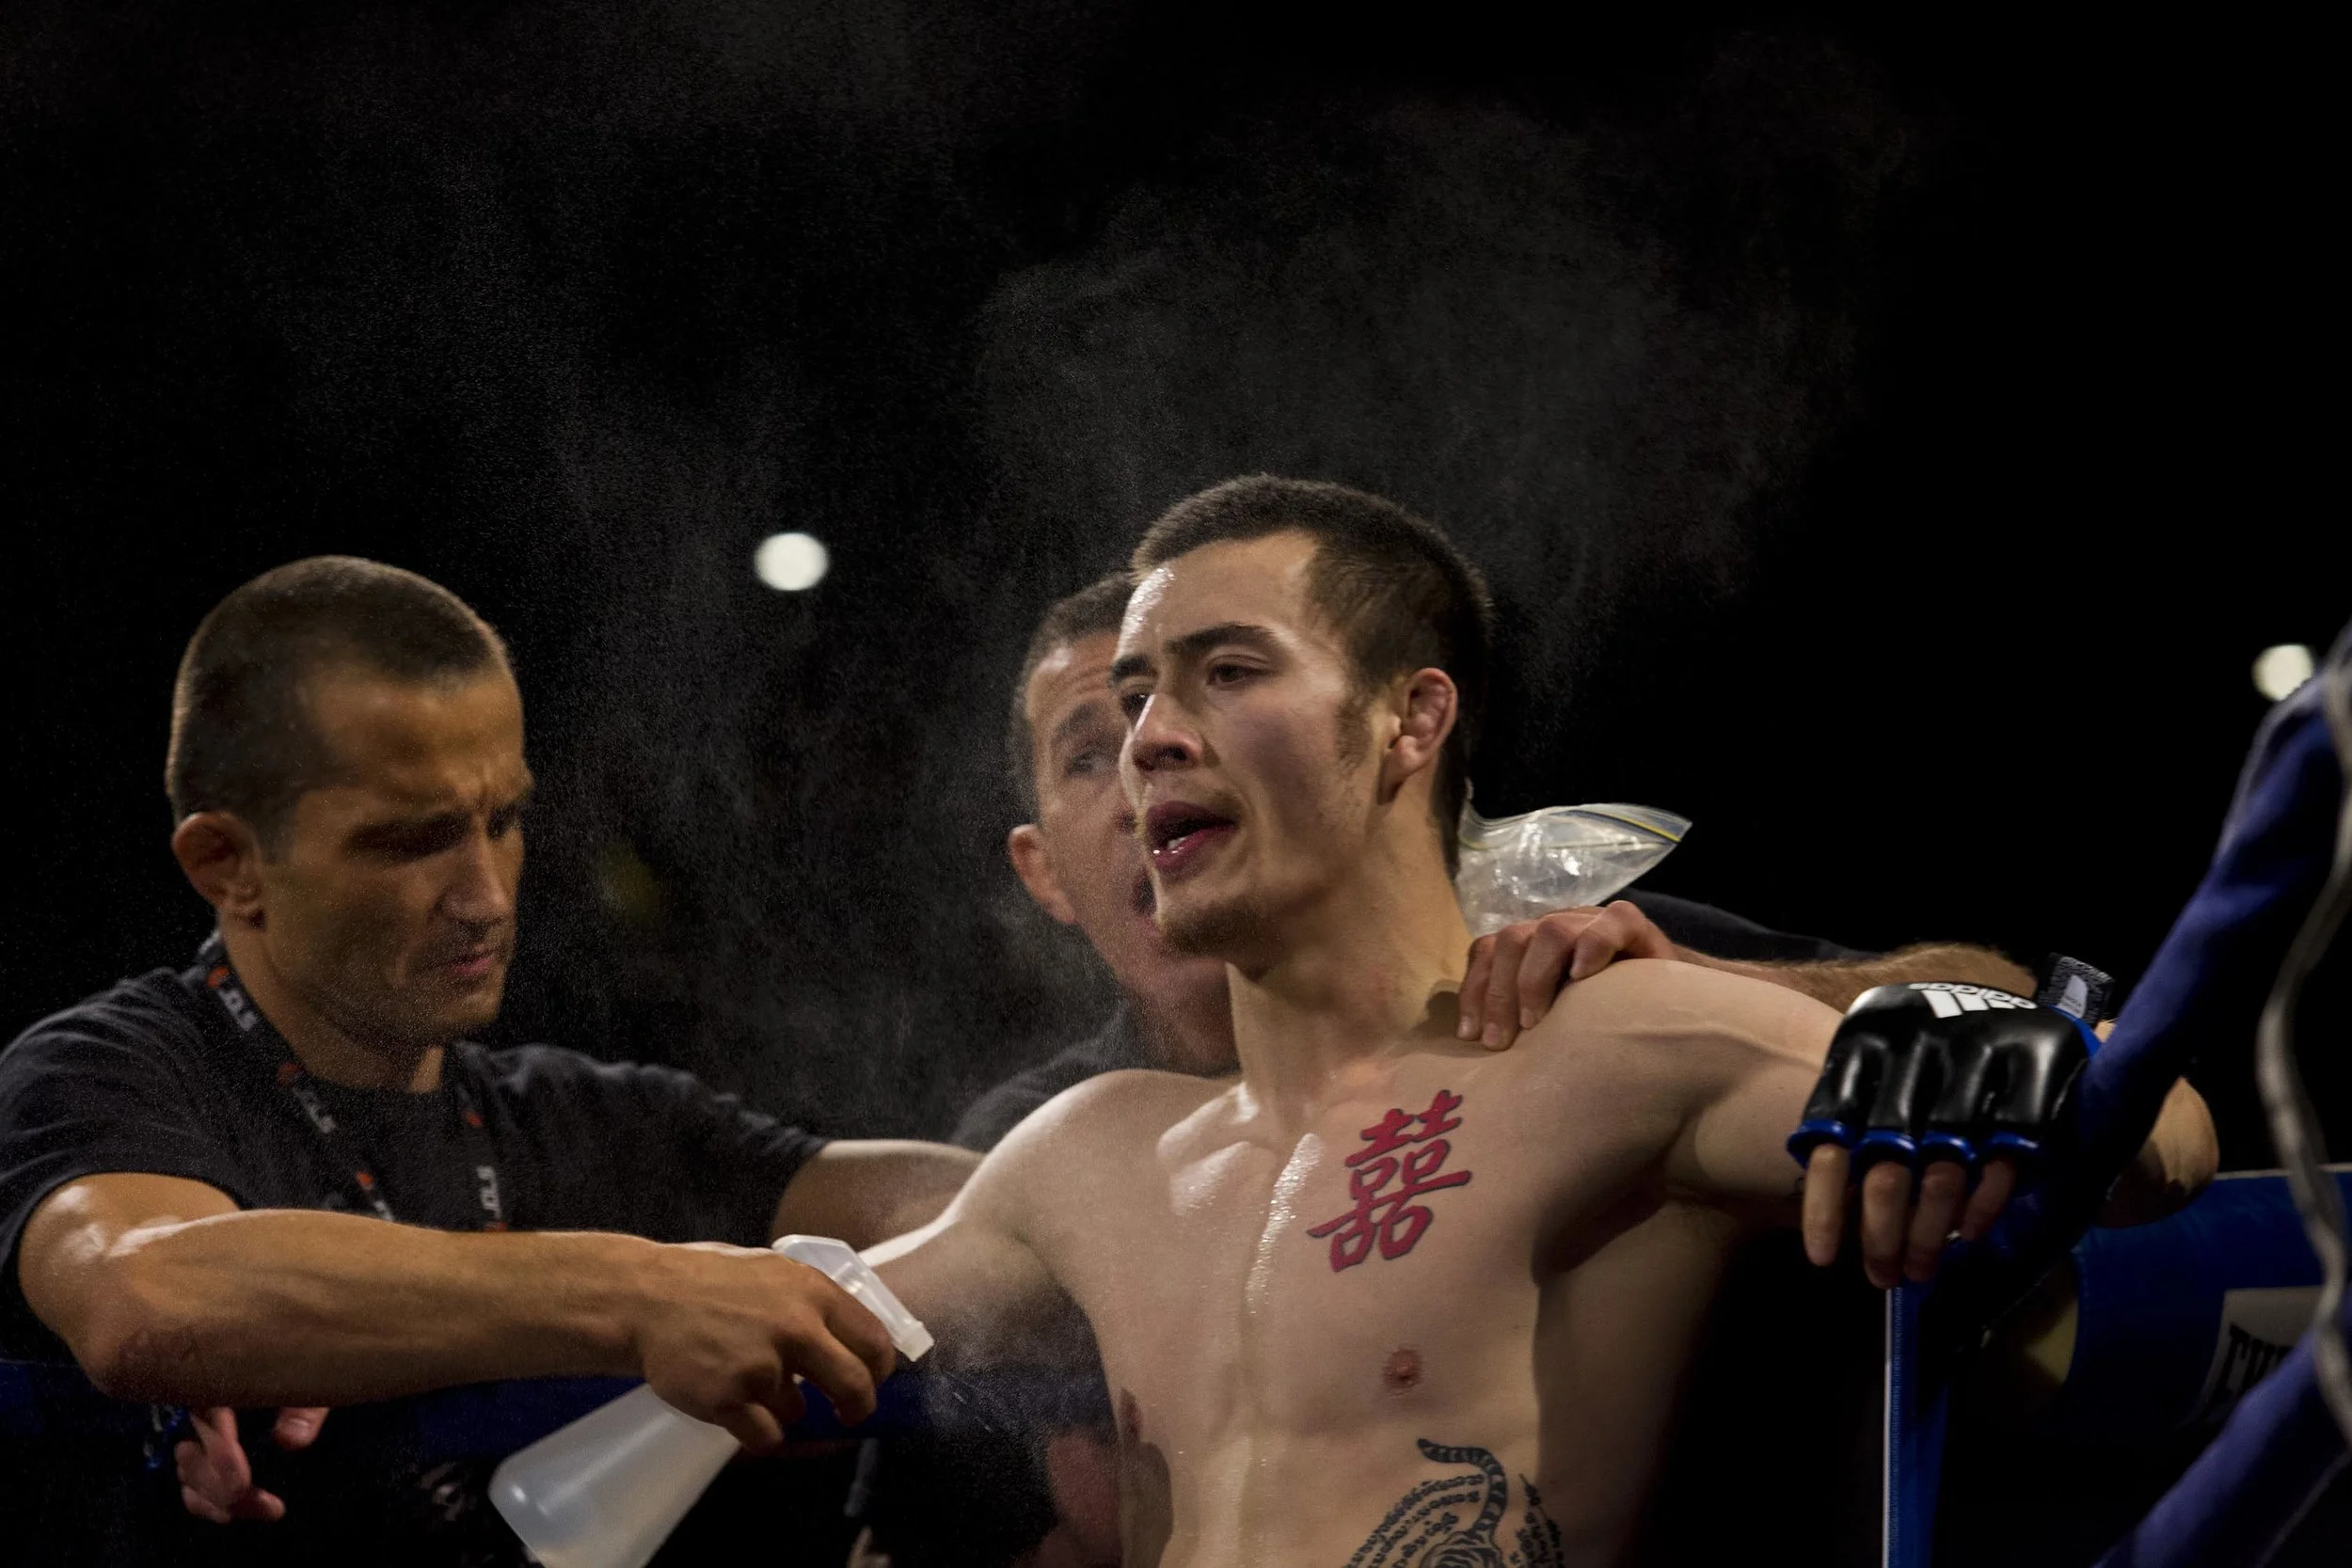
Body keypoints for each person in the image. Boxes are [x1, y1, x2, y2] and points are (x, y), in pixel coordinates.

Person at [871, 478, 2216, 1564]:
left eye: (1227, 672)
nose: (1156, 736)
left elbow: (2144, 1116)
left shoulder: (1613, 1024)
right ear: (1039, 863)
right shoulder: (1080, 1145)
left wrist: (1941, 1054)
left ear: (1411, 722)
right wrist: (648, 1281)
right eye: (1128, 708)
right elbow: (808, 1308)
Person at [0, 558, 975, 1560]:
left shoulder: (583, 1117)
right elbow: (146, 1295)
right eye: (412, 839)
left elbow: (985, 1212)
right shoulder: (111, 1068)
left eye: (502, 819)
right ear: (229, 863)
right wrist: (640, 1295)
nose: (486, 895)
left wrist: (1117, 1130)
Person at [961, 572, 2090, 1154]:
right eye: (1090, 751)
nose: (1149, 769)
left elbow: (2017, 1009)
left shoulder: (1553, 969)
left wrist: (1708, 990)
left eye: (1216, 699)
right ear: (1040, 869)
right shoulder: (1045, 1144)